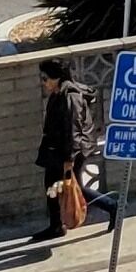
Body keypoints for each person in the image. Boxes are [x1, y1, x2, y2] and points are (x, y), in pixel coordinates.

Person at [34, 60, 95, 239]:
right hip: (59, 149)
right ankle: (55, 225)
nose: (43, 82)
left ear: (56, 77)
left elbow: (73, 129)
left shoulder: (70, 96)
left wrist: (69, 160)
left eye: (45, 78)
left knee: (68, 186)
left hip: (69, 151)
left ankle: (111, 206)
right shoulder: (58, 92)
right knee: (59, 186)